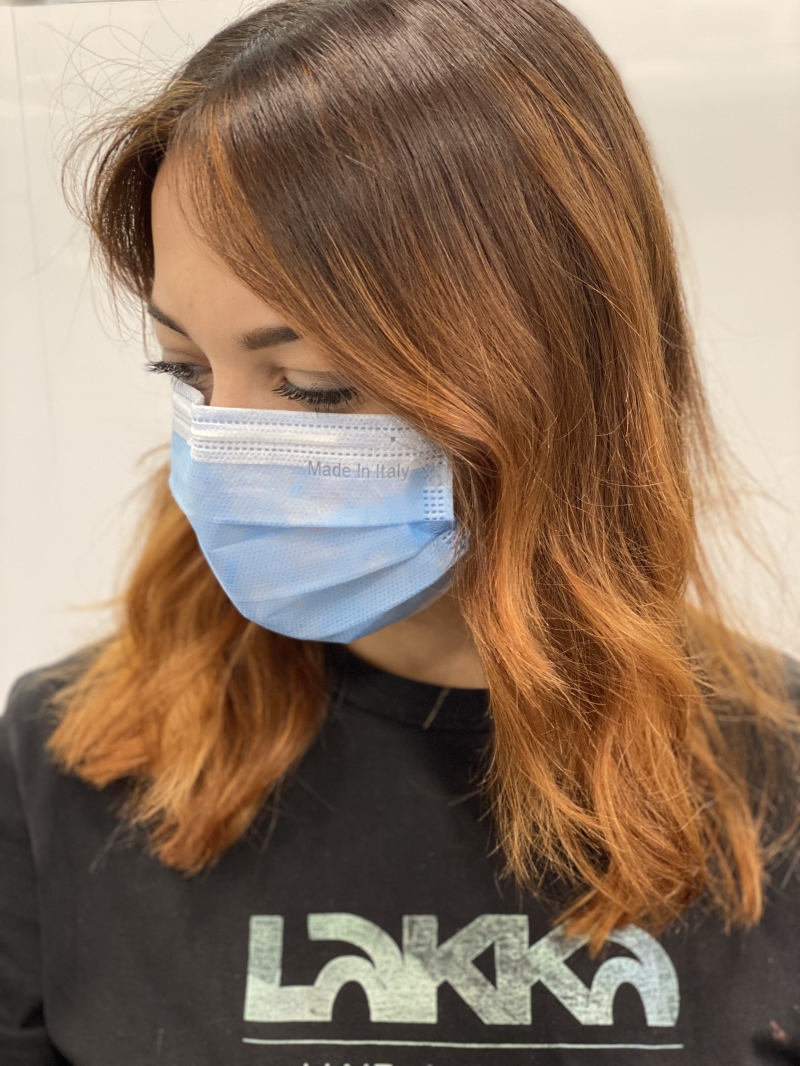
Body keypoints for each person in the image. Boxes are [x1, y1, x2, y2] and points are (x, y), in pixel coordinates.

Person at [2, 0, 799, 1063]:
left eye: (313, 386)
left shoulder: (778, 788)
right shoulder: (68, 762)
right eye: (185, 369)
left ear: (554, 366)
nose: (225, 446)